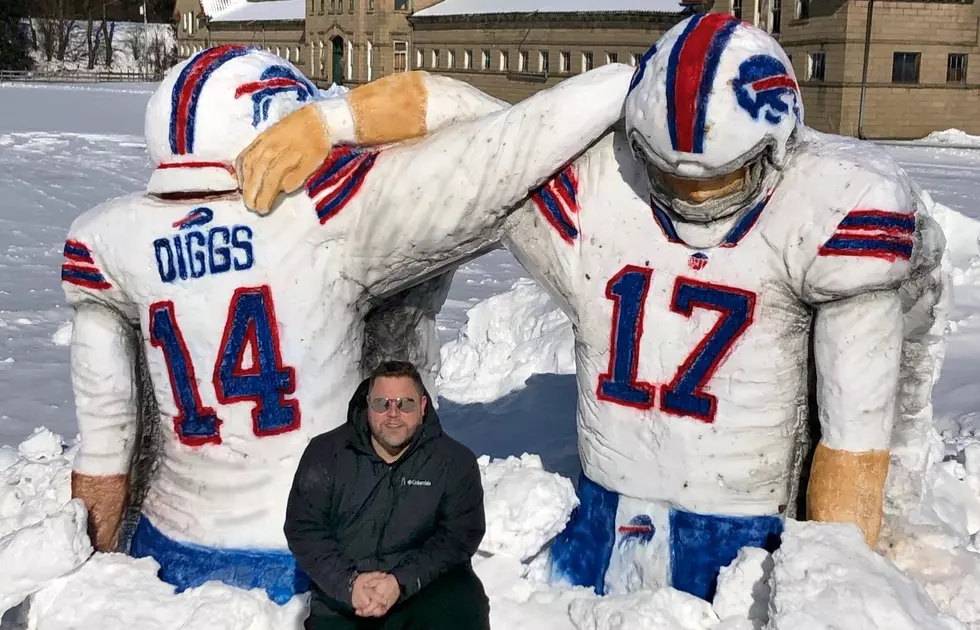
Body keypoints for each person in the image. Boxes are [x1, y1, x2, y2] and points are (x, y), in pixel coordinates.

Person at [237, 14, 949, 602]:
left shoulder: (829, 205)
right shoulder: (603, 195)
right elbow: (474, 130)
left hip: (745, 537)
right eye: (671, 173)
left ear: (780, 146)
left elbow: (856, 440)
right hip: (603, 521)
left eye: (720, 176)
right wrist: (329, 120)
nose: (693, 196)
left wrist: (835, 582)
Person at [62, 45, 635, 603]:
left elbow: (107, 437)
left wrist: (92, 564)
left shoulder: (107, 238)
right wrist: (335, 121)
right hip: (319, 554)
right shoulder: (325, 214)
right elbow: (510, 145)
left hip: (170, 545)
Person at [284, 360, 489, 629]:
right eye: (382, 403)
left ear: (423, 406)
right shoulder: (327, 453)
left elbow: (459, 535)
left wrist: (401, 581)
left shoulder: (453, 462)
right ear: (368, 405)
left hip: (421, 590)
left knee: (465, 602)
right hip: (345, 599)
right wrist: (349, 584)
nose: (393, 413)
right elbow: (304, 529)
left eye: (406, 404)